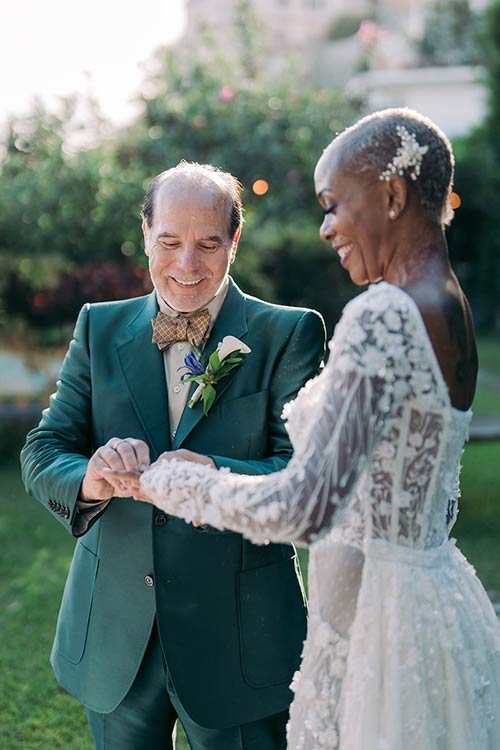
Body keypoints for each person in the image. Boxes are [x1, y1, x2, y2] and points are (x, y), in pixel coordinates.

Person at [107, 109, 500, 750]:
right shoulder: (449, 303)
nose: (324, 229)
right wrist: (225, 469)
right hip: (432, 603)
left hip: (382, 626)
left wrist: (171, 482)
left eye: (331, 205)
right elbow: (385, 479)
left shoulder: (384, 314)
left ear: (393, 197)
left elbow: (307, 509)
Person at [20, 161, 326, 750]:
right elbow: (44, 448)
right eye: (170, 242)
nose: (187, 264)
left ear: (234, 241)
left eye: (209, 243)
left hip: (240, 636)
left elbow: (304, 474)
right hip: (115, 638)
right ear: (145, 236)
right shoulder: (99, 328)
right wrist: (91, 477)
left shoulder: (287, 333)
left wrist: (215, 475)